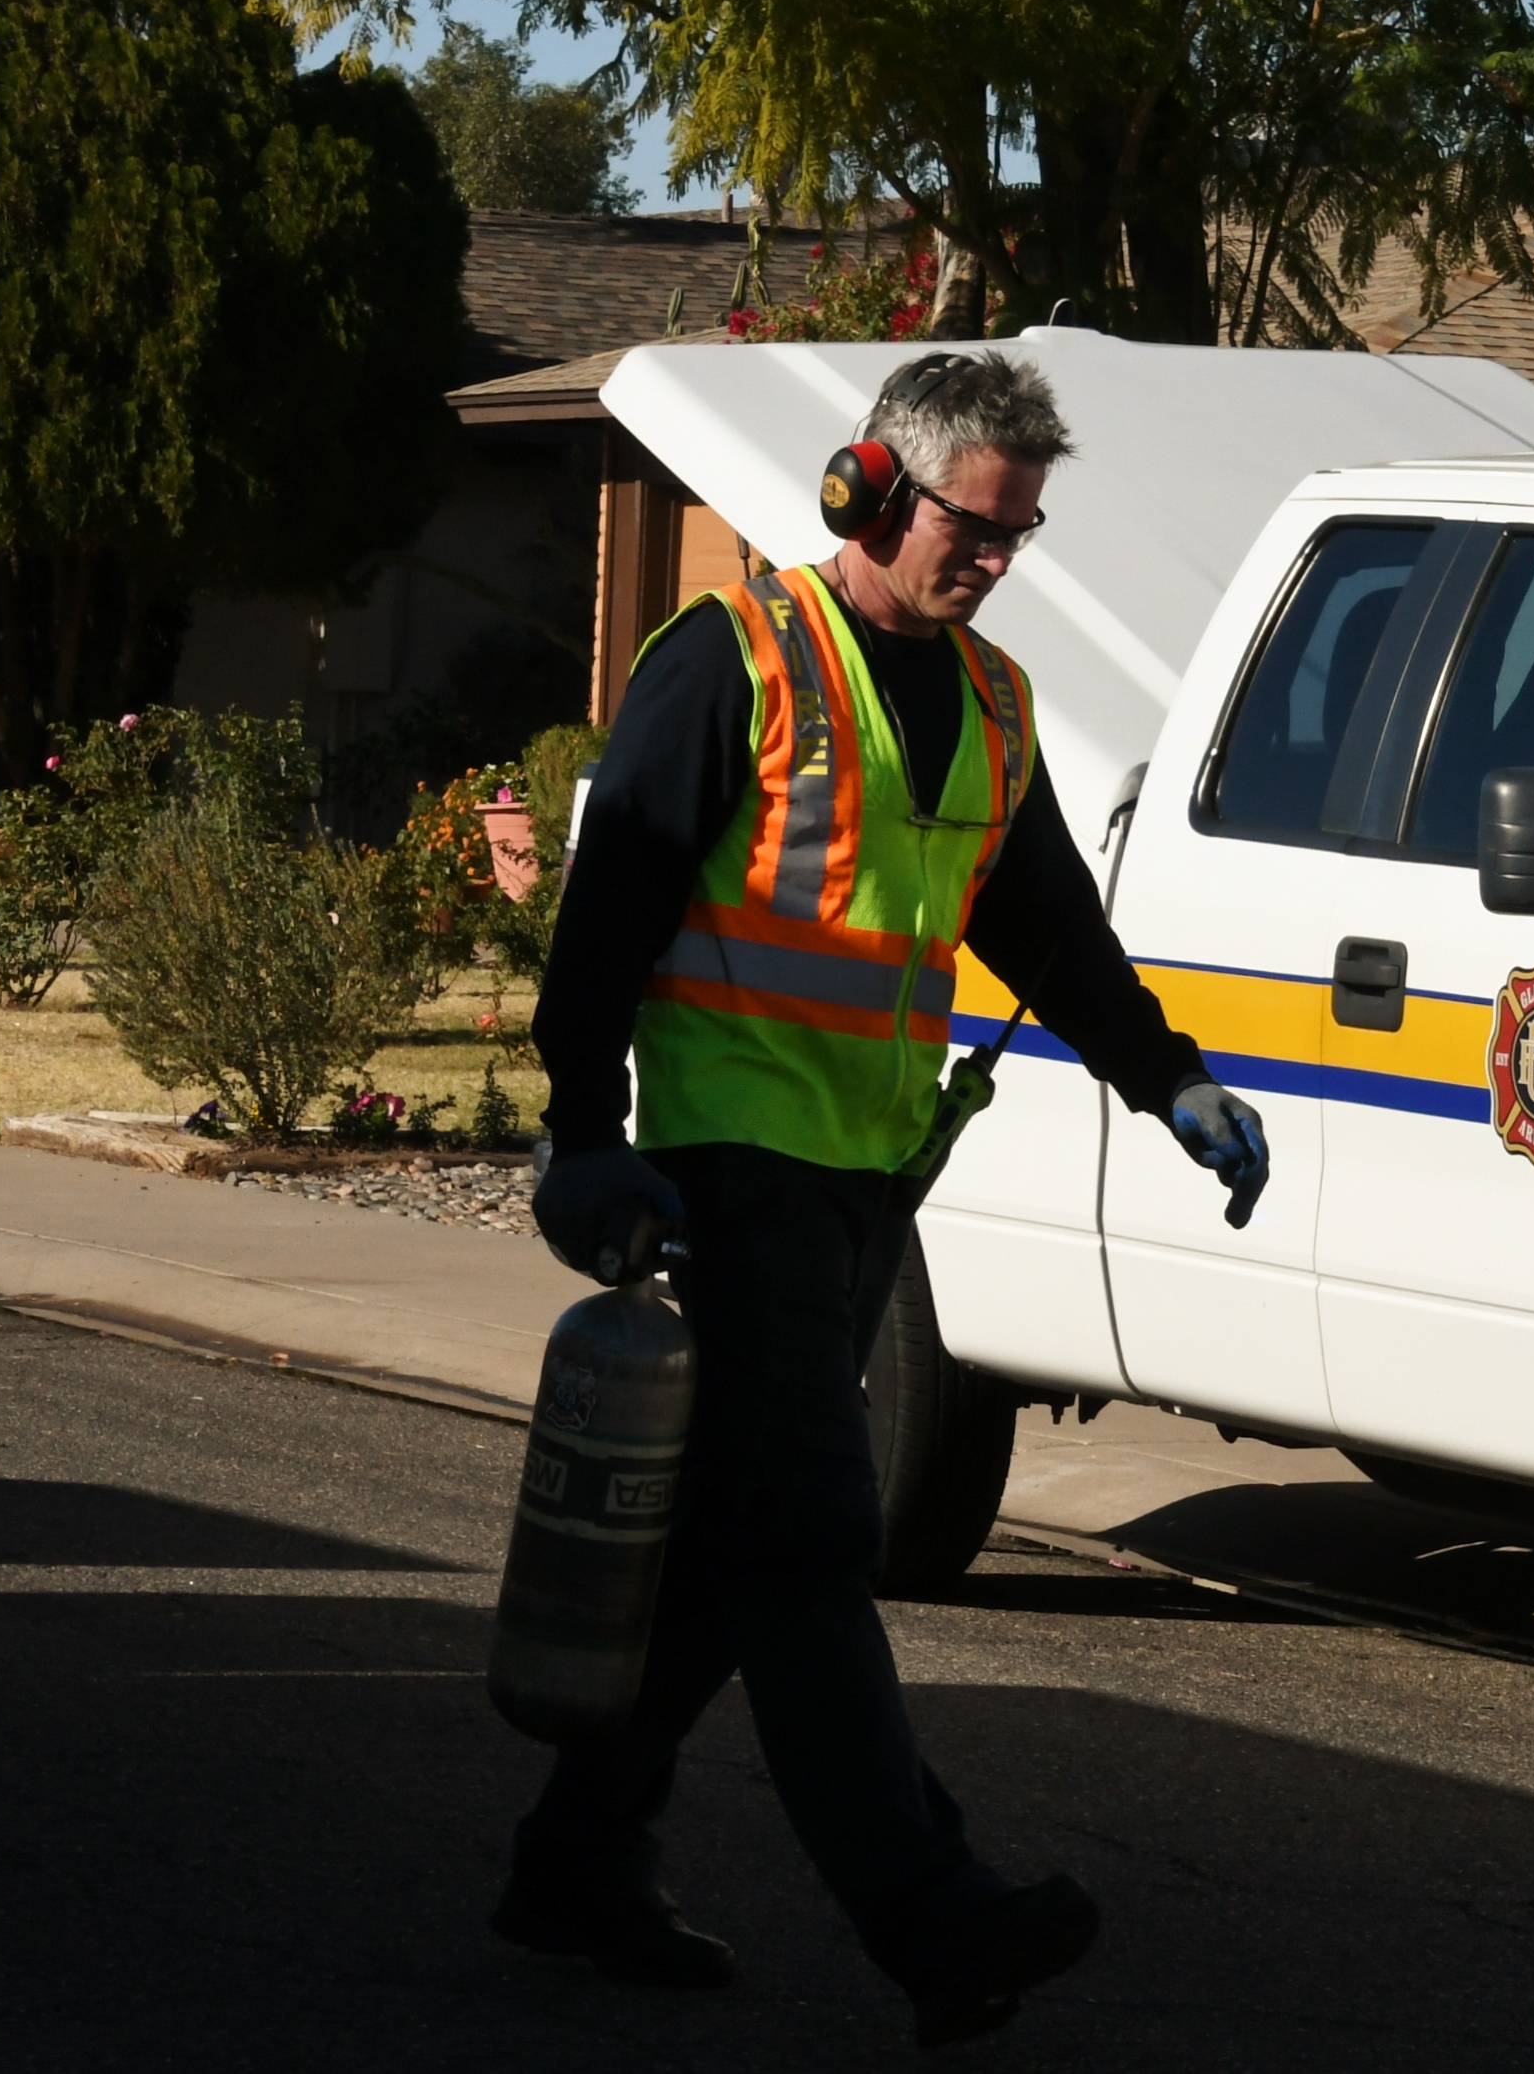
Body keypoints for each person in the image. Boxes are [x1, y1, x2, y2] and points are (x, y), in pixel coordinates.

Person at [498, 349, 1270, 2048]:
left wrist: (1170, 1079)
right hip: (731, 1165)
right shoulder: (738, 657)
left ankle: (575, 1862)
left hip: (869, 1174)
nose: (991, 559)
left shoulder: (991, 700)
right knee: (809, 1536)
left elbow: (1046, 924)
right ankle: (933, 1914)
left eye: (1016, 535)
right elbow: (609, 904)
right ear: (869, 486)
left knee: (730, 1548)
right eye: (969, 526)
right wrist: (581, 1129)